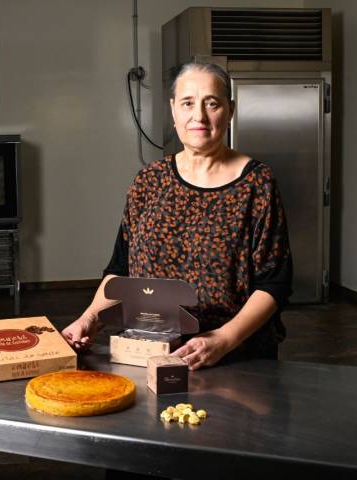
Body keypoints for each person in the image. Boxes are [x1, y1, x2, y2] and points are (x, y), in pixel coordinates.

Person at [62, 61, 292, 369]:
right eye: (188, 103)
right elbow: (120, 269)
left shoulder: (256, 184)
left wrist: (223, 339)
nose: (199, 116)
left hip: (236, 357)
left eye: (212, 103)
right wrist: (89, 319)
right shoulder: (149, 181)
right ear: (173, 111)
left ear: (230, 110)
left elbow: (274, 283)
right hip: (147, 353)